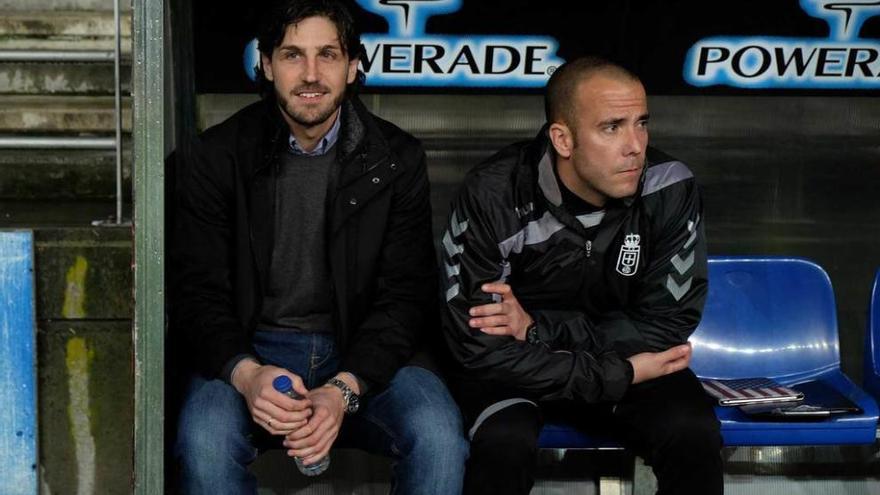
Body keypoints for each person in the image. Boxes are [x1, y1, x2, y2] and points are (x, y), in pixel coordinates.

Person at [168, 1, 467, 493]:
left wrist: (344, 390)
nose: (310, 74)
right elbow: (197, 291)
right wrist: (246, 375)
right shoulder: (215, 156)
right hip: (250, 348)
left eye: (327, 54)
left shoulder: (397, 158)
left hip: (362, 349)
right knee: (204, 442)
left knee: (437, 438)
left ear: (352, 67)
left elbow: (407, 295)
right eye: (292, 55)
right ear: (266, 65)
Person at [440, 56, 723, 494]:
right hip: (531, 372)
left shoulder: (669, 186)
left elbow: (666, 326)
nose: (636, 145)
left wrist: (537, 329)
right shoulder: (494, 194)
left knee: (692, 430)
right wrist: (617, 374)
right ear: (563, 138)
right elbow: (478, 345)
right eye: (612, 127)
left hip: (614, 361)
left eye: (641, 123)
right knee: (504, 441)